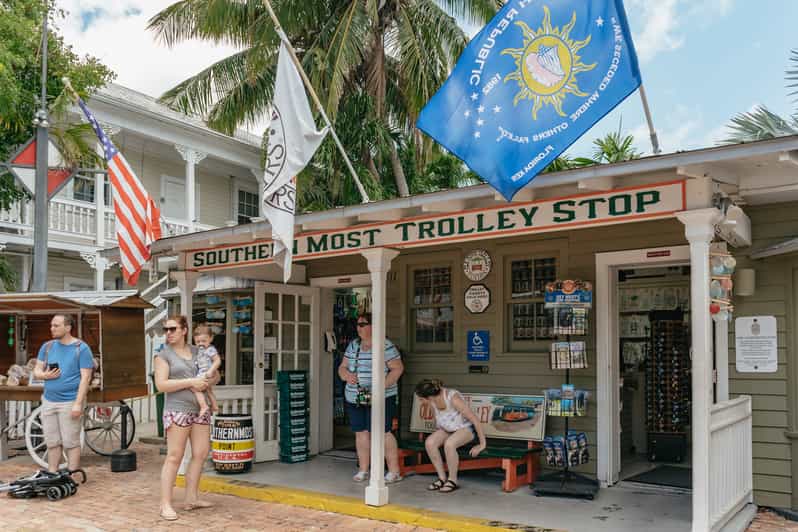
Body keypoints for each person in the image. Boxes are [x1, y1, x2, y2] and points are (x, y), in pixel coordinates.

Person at [154, 316, 213, 521]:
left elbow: (215, 375)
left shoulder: (198, 351)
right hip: (178, 409)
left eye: (172, 329)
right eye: (166, 330)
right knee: (174, 456)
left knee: (200, 452)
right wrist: (191, 381)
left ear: (184, 330)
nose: (168, 333)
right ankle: (165, 503)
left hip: (200, 409)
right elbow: (161, 385)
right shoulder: (163, 355)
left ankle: (191, 498)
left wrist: (209, 378)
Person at [337, 312, 404, 483]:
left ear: (373, 326)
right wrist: (346, 376)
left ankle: (394, 471)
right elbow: (342, 367)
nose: (358, 328)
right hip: (356, 397)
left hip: (381, 397)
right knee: (361, 433)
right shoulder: (353, 345)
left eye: (362, 324)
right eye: (357, 325)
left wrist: (381, 387)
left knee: (383, 432)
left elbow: (397, 369)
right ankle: (364, 470)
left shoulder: (385, 345)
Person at [32, 314, 95, 473]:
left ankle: (72, 476)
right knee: (52, 441)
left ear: (68, 327)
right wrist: (44, 375)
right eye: (52, 325)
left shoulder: (81, 348)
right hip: (48, 400)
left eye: (56, 325)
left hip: (70, 401)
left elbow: (85, 378)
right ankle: (53, 474)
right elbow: (37, 370)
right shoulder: (47, 347)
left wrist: (78, 404)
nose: (52, 328)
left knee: (71, 441)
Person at [414, 379, 487, 493]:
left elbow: (475, 420)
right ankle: (442, 478)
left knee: (449, 444)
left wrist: (482, 444)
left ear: (430, 397)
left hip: (466, 429)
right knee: (430, 443)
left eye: (421, 399)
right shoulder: (432, 401)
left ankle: (452, 480)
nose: (420, 401)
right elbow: (439, 421)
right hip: (449, 429)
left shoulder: (452, 398)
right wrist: (440, 436)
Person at [192, 324, 221, 417]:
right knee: (208, 390)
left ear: (211, 338)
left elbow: (217, 360)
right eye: (197, 341)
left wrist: (211, 371)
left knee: (194, 388)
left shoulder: (210, 349)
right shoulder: (199, 350)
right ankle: (215, 406)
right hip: (203, 372)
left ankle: (204, 406)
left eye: (204, 341)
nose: (200, 343)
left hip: (207, 373)